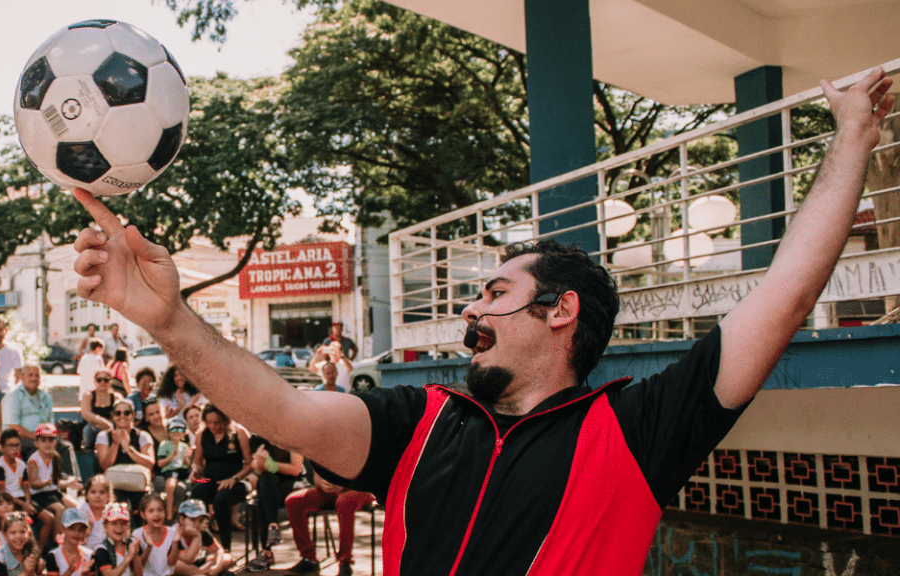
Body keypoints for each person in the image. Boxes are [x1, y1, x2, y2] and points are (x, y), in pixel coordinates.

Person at [69, 68, 896, 575]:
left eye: (494, 293)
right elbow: (282, 410)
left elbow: (784, 295)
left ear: (561, 311)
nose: (468, 309)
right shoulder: (422, 422)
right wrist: (173, 323)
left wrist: (853, 135)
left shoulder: (638, 430)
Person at [284, 472, 375, 576]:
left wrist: (343, 484)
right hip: (330, 492)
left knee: (343, 502)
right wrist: (322, 483)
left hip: (358, 488)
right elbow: (316, 475)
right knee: (293, 501)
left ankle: (345, 562)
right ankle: (309, 559)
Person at [188, 405, 251, 554]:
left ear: (225, 420)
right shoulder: (202, 435)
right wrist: (194, 471)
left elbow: (250, 465)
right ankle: (203, 541)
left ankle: (226, 545)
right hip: (208, 479)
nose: (213, 426)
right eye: (209, 422)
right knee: (197, 490)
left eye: (216, 423)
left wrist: (234, 478)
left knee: (221, 499)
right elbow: (197, 461)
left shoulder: (239, 434)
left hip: (234, 481)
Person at [242, 439, 303, 573]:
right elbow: (258, 468)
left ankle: (266, 553)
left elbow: (295, 470)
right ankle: (273, 526)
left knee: (262, 499)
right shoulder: (257, 440)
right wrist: (262, 464)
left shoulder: (292, 436)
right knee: (266, 481)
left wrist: (269, 464)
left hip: (291, 484)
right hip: (268, 485)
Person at [28, 423, 83, 551]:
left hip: (52, 492)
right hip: (38, 494)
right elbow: (33, 484)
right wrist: (46, 483)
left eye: (51, 440)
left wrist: (69, 484)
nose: (47, 444)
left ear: (55, 442)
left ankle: (74, 539)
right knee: (59, 509)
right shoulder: (33, 461)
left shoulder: (55, 457)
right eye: (43, 440)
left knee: (74, 506)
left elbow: (56, 483)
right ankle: (57, 543)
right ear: (36, 443)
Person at [95, 398, 154, 511]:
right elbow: (105, 465)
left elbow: (149, 464)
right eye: (118, 413)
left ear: (132, 415)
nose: (122, 416)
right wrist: (116, 443)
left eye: (126, 413)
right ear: (112, 415)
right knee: (116, 503)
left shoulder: (143, 436)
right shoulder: (103, 436)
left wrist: (128, 449)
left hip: (138, 484)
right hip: (113, 484)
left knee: (142, 505)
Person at [0, 365, 54, 455]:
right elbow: (13, 427)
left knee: (65, 446)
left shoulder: (45, 396)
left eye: (37, 376)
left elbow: (50, 423)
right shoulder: (13, 396)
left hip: (43, 438)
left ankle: (63, 470)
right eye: (30, 375)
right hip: (19, 440)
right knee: (40, 450)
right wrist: (36, 438)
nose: (34, 378)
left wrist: (48, 437)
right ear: (22, 376)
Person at [156, 417, 191, 522]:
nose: (176, 432)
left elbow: (188, 464)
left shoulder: (185, 446)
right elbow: (160, 463)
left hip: (184, 471)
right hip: (171, 470)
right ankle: (169, 515)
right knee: (170, 486)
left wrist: (185, 457)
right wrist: (171, 456)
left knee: (199, 482)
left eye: (180, 430)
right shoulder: (164, 444)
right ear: (168, 432)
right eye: (173, 429)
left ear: (184, 433)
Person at [92, 502, 140, 576]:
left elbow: (139, 574)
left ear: (128, 526)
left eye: (123, 523)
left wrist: (135, 554)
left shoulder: (130, 544)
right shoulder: (101, 549)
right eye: (114, 523)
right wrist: (129, 557)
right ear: (105, 526)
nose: (119, 528)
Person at [0, 511, 41, 576]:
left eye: (22, 532)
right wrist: (25, 572)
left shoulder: (29, 552)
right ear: (5, 535)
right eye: (13, 533)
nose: (18, 536)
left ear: (28, 533)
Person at [44, 508, 93, 576]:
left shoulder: (89, 555)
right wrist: (69, 572)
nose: (76, 533)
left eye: (81, 529)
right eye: (71, 528)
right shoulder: (54, 556)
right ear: (63, 529)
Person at [80, 370, 121, 450]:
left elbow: (120, 415)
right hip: (93, 428)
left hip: (111, 429)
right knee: (89, 429)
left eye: (106, 380)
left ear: (111, 382)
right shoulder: (88, 395)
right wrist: (104, 423)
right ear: (95, 382)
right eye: (99, 380)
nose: (102, 382)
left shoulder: (117, 397)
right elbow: (85, 413)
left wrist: (109, 426)